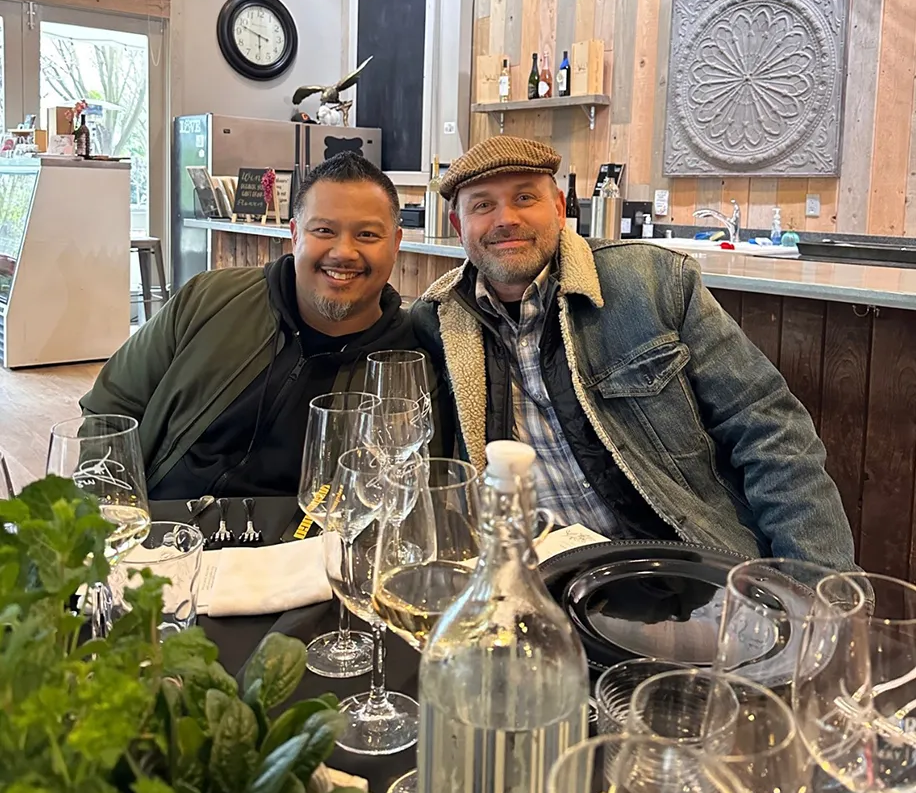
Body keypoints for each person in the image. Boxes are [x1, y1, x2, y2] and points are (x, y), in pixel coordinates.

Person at [411, 135, 856, 568]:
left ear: (560, 209)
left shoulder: (653, 280)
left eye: (525, 198)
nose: (506, 218)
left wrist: (817, 593)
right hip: (534, 577)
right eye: (483, 205)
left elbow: (770, 430)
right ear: (458, 225)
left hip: (688, 568)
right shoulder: (438, 322)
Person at [82, 152, 424, 499]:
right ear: (295, 235)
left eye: (367, 235)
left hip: (305, 549)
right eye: (323, 230)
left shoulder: (409, 363)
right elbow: (110, 410)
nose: (344, 252)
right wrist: (116, 512)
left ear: (395, 244)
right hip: (164, 533)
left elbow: (404, 486)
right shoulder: (210, 299)